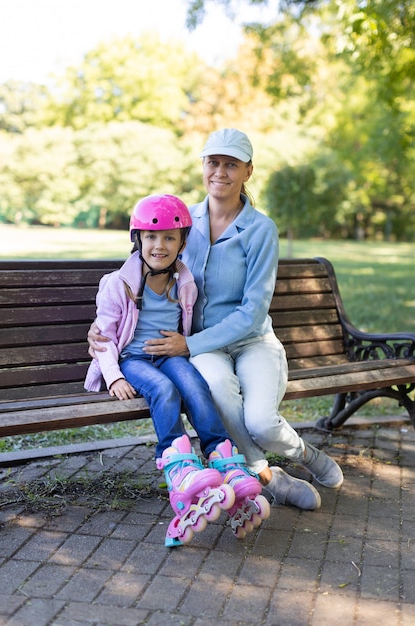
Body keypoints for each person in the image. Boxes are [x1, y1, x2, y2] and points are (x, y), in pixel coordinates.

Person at [88, 130, 343, 512]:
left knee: (261, 422)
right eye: (213, 162)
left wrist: (187, 345)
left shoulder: (260, 230)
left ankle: (308, 455)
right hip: (202, 347)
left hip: (249, 341)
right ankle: (269, 478)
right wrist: (106, 327)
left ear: (248, 171)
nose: (220, 172)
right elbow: (140, 265)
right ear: (203, 166)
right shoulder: (181, 218)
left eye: (231, 164)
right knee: (216, 393)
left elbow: (253, 311)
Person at [84, 193, 270, 547]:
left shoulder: (184, 280)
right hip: (133, 360)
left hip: (170, 356)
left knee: (196, 386)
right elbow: (104, 337)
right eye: (151, 237)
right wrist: (115, 376)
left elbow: (187, 328)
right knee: (165, 391)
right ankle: (178, 466)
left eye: (170, 238)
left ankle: (223, 459)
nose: (160, 245)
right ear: (137, 239)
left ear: (183, 243)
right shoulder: (118, 284)